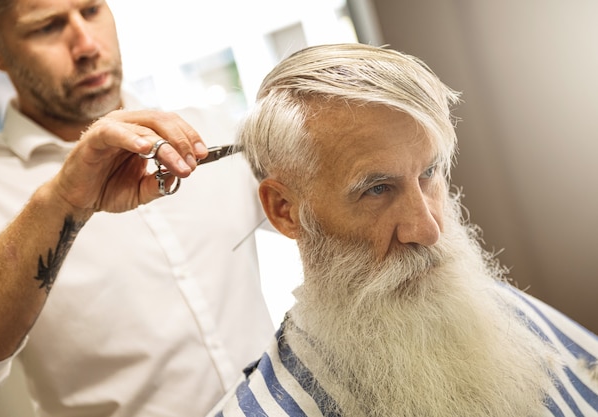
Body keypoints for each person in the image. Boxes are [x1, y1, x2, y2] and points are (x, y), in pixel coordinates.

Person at [207, 43, 598, 417]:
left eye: (429, 173)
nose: (428, 229)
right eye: (377, 189)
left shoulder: (492, 312)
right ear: (285, 210)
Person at [0, 0, 274, 416]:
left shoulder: (212, 127)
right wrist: (62, 202)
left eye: (92, 10)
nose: (86, 44)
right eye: (48, 27)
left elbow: (332, 223)